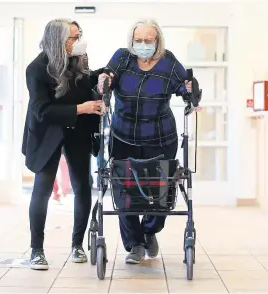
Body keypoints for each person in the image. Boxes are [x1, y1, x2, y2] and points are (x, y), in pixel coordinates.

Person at [97, 19, 201, 264]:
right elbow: (107, 77)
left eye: (148, 40)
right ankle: (134, 244)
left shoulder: (169, 62)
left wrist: (190, 91)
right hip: (123, 136)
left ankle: (149, 231)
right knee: (124, 190)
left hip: (160, 138)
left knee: (161, 192)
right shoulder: (123, 58)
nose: (142, 45)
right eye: (138, 40)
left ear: (158, 41)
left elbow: (187, 88)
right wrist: (103, 81)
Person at [22, 19, 104, 270]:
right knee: (42, 189)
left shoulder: (79, 60)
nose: (77, 42)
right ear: (57, 40)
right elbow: (41, 110)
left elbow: (88, 82)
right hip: (47, 133)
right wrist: (83, 108)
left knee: (82, 186)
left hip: (77, 131)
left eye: (79, 36)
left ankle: (77, 245)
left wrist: (101, 81)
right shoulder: (36, 69)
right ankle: (37, 250)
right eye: (72, 38)